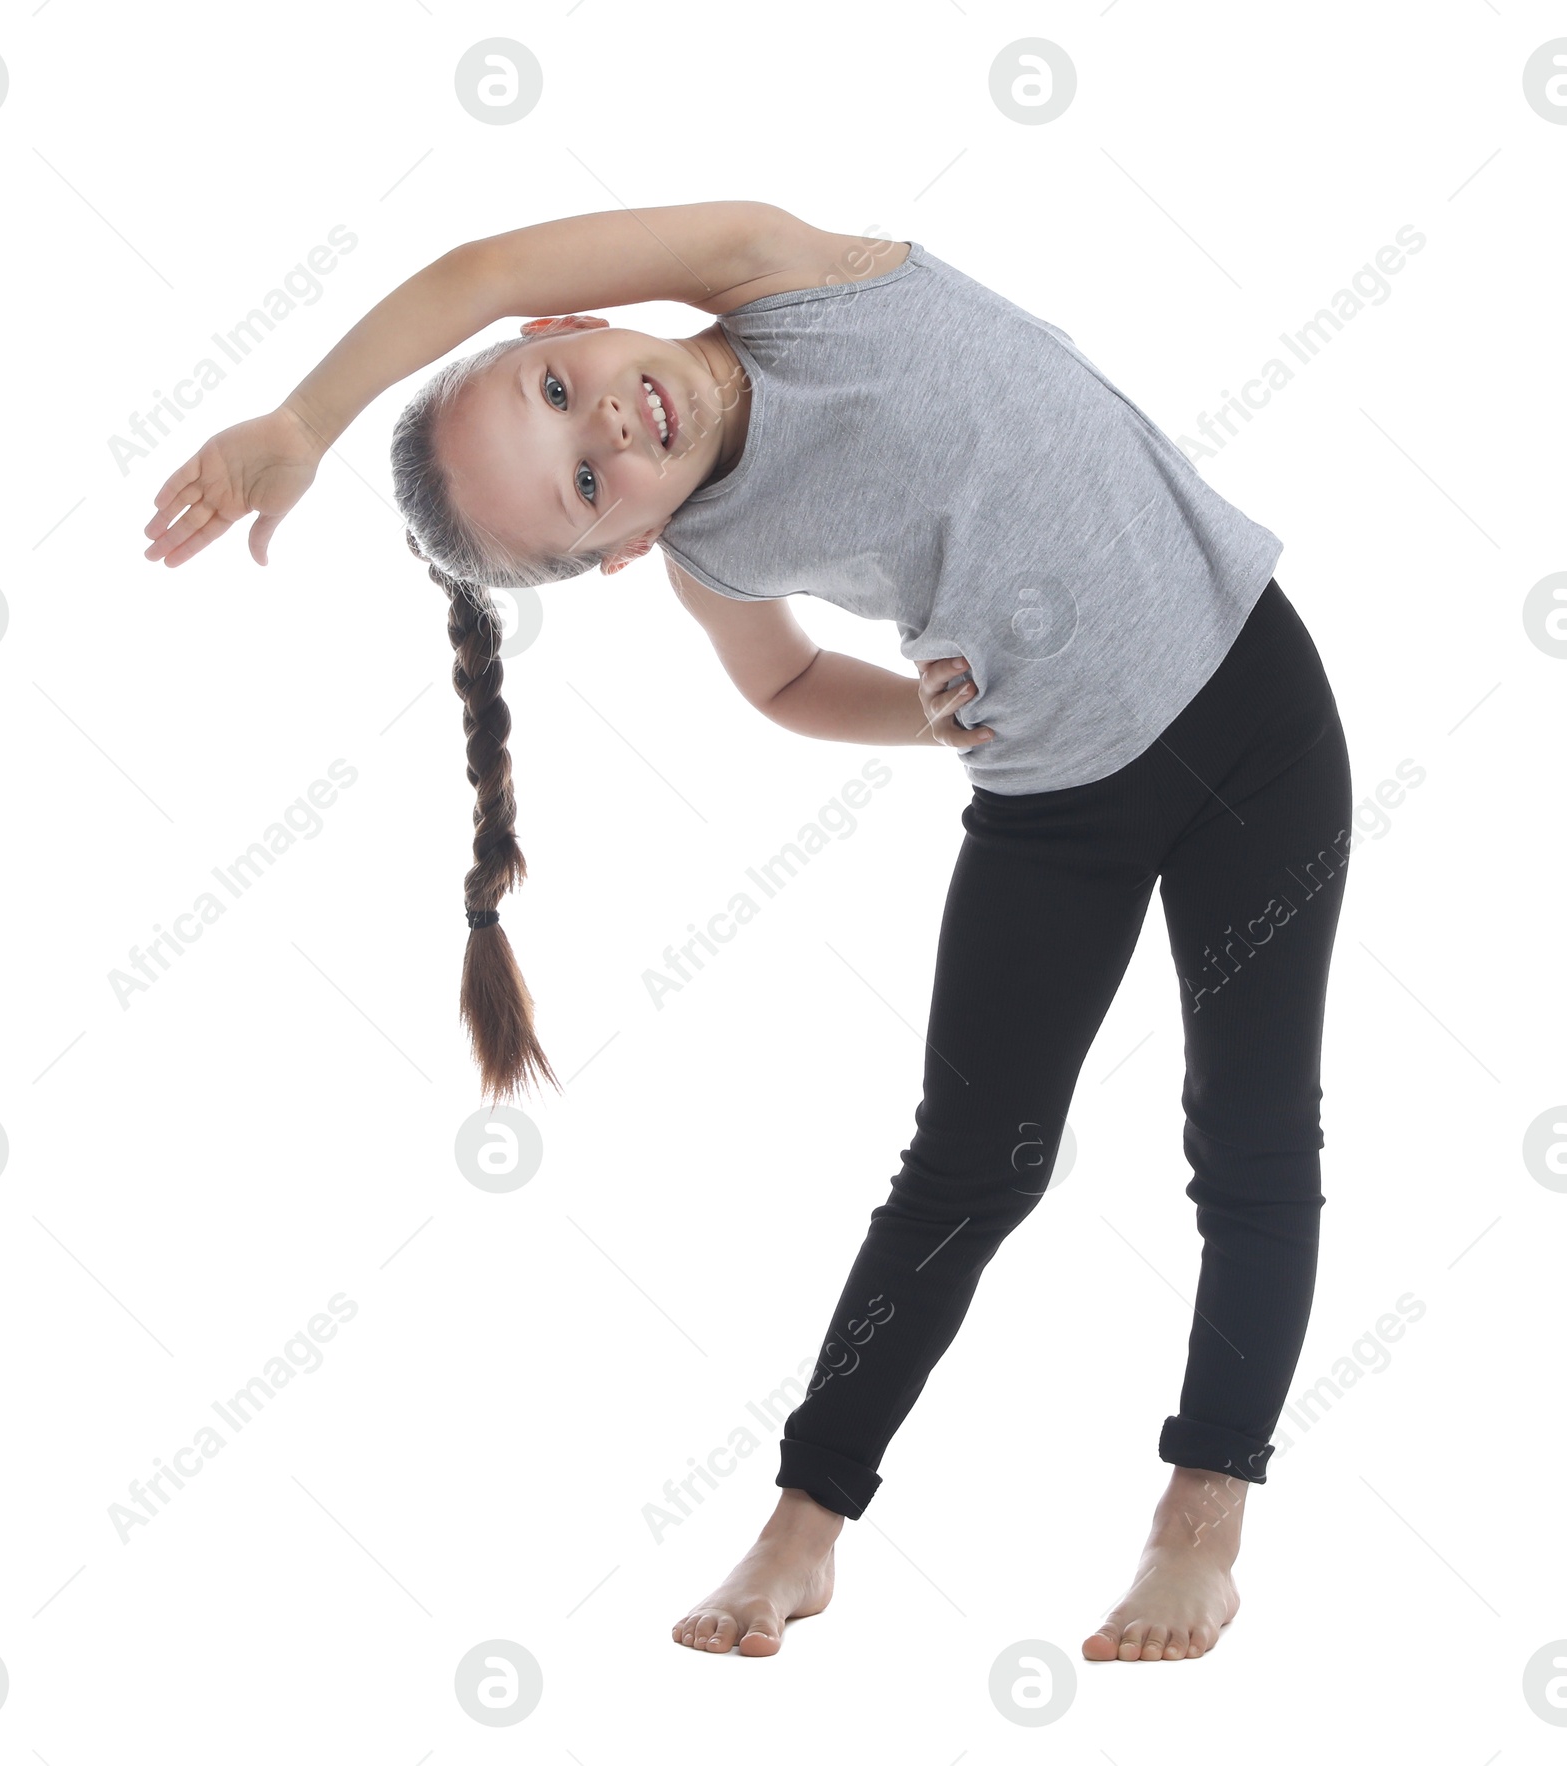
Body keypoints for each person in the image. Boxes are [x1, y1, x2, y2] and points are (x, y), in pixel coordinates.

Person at [141, 199, 1353, 1664]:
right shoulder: (713, 552)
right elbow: (778, 690)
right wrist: (927, 709)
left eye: (555, 387)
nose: (610, 422)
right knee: (969, 1167)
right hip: (1052, 802)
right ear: (623, 547)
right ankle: (806, 1523)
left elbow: (478, 267)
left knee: (1252, 1130)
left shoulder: (778, 273)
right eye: (588, 481)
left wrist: (304, 419)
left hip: (1256, 715)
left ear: (556, 328)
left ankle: (1200, 1523)